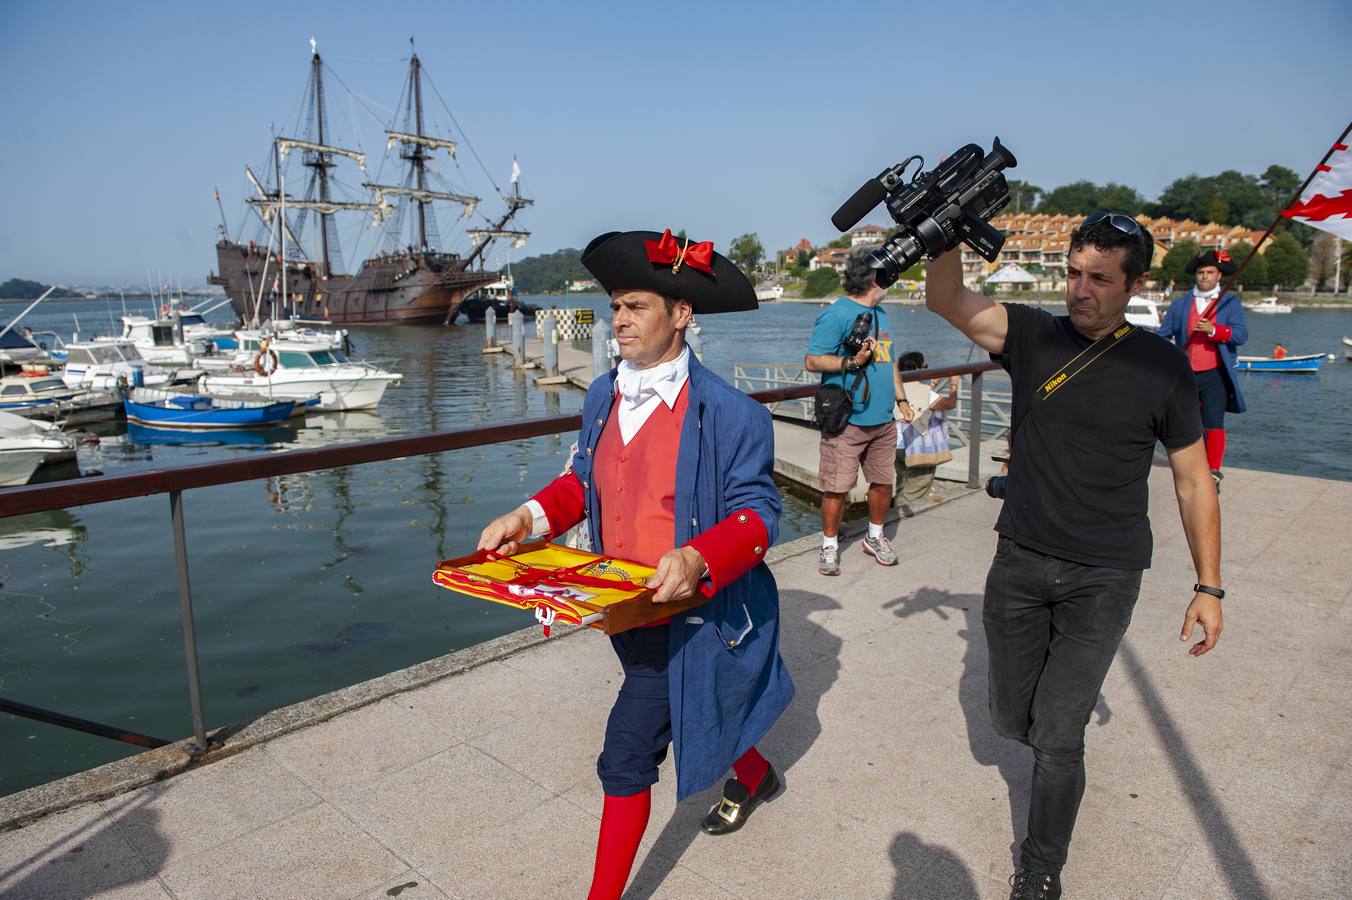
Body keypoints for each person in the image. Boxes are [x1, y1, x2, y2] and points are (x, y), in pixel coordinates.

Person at [478, 229, 794, 900]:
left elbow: (760, 516)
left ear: (681, 314)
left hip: (695, 613)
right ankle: (756, 773)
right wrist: (526, 518)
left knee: (626, 754)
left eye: (637, 306)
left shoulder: (734, 415)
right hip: (621, 604)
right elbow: (581, 484)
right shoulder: (602, 395)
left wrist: (696, 555)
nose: (619, 320)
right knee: (689, 708)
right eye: (616, 306)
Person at [925, 212, 1224, 900]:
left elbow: (1191, 479)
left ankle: (1040, 866)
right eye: (1072, 274)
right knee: (1009, 721)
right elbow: (947, 301)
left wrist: (1211, 586)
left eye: (1099, 279)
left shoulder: (1162, 367)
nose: (1079, 291)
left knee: (1059, 734)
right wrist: (939, 231)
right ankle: (1050, 741)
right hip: (1021, 560)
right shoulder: (1031, 334)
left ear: (1135, 285)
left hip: (1106, 572)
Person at [805, 248, 912, 576]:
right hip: (847, 420)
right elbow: (812, 360)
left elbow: (889, 361)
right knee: (836, 487)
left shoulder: (882, 315)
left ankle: (875, 537)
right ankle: (829, 544)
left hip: (883, 420)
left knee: (882, 482)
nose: (891, 281)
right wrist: (851, 362)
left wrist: (902, 400)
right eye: (887, 275)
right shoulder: (837, 314)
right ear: (872, 278)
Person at [1159, 249, 1248, 487]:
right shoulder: (1180, 305)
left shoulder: (1230, 302)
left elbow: (1241, 335)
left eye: (1209, 272)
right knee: (1187, 422)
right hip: (1185, 374)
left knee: (1213, 422)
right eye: (1201, 272)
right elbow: (1162, 334)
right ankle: (1193, 465)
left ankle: (1214, 470)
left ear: (1219, 275)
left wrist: (1214, 330)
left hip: (1216, 373)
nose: (1204, 277)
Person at [893, 351, 959, 511]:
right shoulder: (926, 393)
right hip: (917, 449)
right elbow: (949, 404)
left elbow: (916, 398)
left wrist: (932, 385)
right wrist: (954, 384)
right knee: (915, 489)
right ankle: (902, 521)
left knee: (901, 485)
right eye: (926, 367)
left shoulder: (895, 389)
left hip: (896, 445)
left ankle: (893, 515)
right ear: (919, 369)